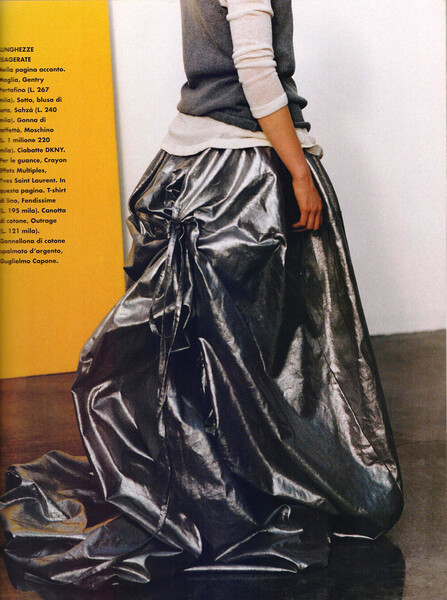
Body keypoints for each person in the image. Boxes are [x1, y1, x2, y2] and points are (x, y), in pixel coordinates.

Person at [0, 0, 403, 588]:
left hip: (196, 162)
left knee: (218, 351)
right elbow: (256, 70)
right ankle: (244, 490)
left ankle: (221, 481)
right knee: (254, 355)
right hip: (240, 172)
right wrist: (298, 170)